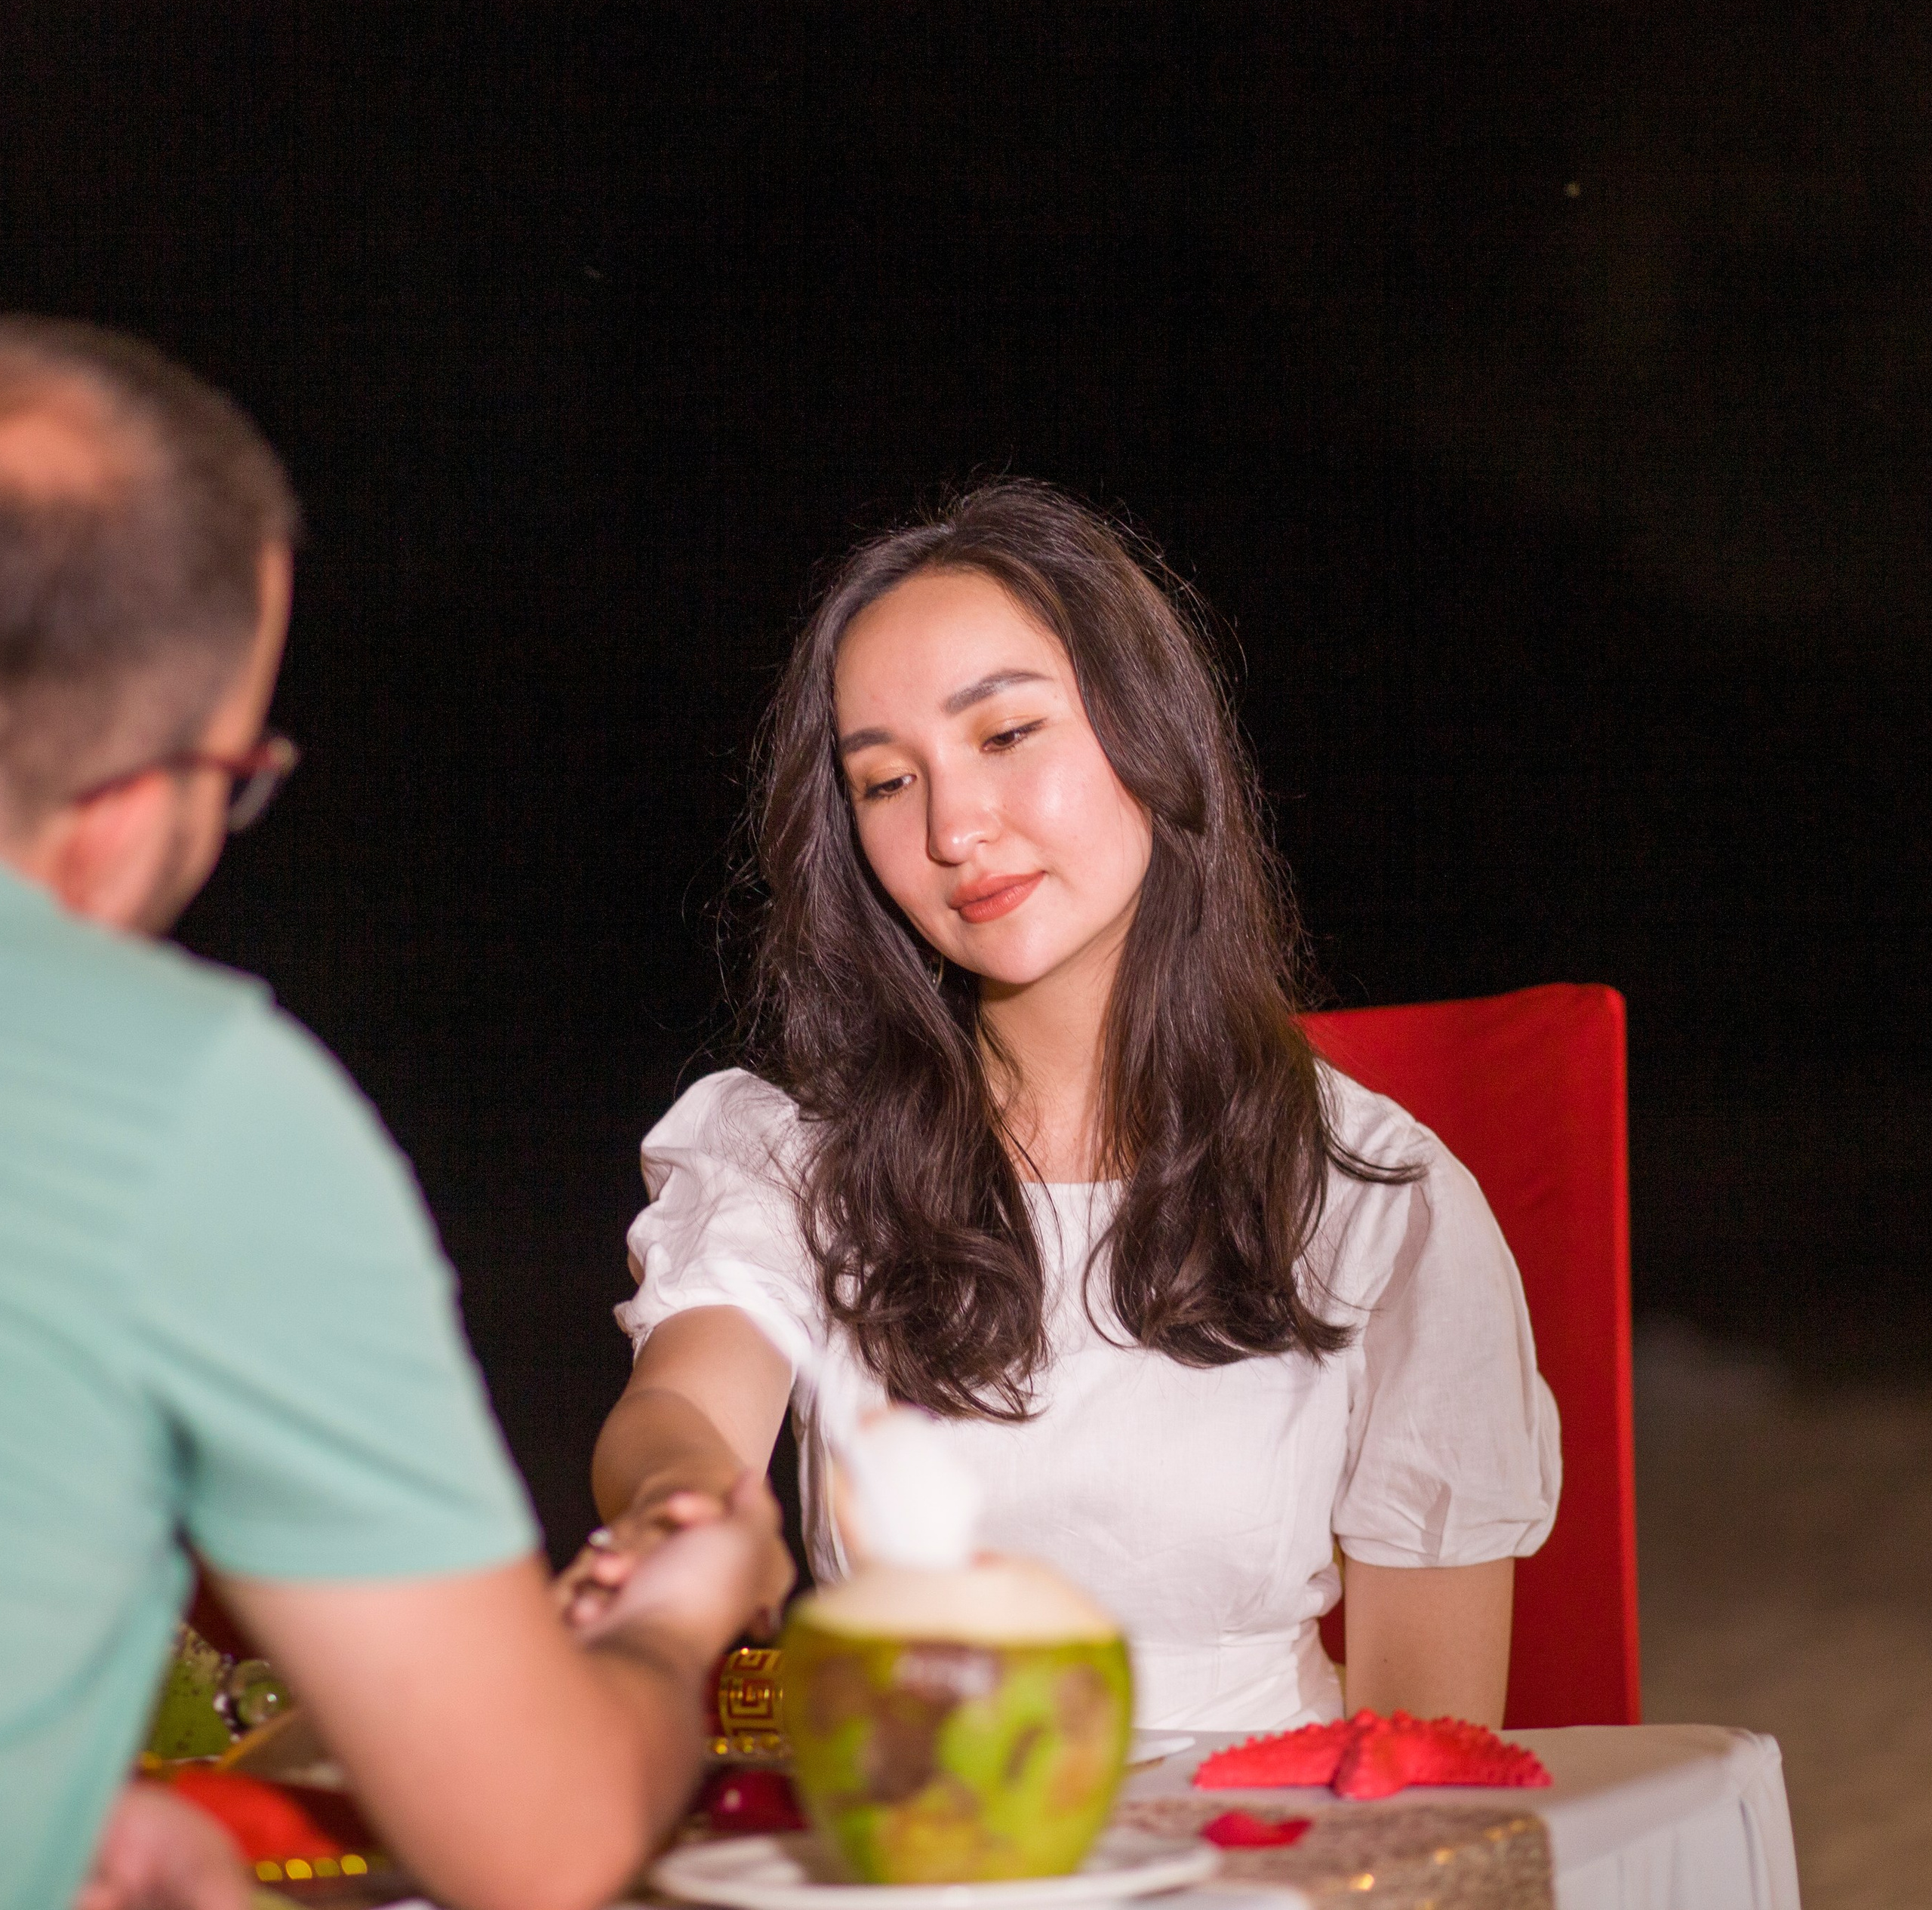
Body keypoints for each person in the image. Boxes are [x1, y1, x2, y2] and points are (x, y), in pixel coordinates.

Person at [0, 316, 790, 1910]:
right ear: (144, 796)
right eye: (243, 775)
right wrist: (678, 1614)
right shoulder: (186, 1105)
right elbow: (538, 1829)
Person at [564, 480, 1560, 1734]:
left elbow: (1430, 1761)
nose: (954, 827)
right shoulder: (800, 1160)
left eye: (1006, 736)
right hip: (922, 1839)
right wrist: (683, 1508)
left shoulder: (1372, 1200)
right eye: (885, 782)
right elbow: (684, 1406)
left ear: (1150, 731)